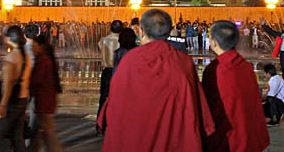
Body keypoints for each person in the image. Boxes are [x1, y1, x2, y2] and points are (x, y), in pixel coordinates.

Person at [99, 9, 214, 151]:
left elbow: (115, 103)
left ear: (141, 31)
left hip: (137, 139)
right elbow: (197, 106)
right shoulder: (184, 61)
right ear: (170, 31)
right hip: (173, 139)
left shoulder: (130, 60)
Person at [202, 21, 269, 152]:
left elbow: (207, 105)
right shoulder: (246, 67)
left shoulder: (214, 70)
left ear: (214, 42)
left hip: (226, 136)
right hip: (247, 133)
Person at [0, 25, 32, 152]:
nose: (4, 39)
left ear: (11, 38)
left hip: (12, 102)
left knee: (0, 136)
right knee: (17, 137)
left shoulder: (12, 58)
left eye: (6, 37)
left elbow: (8, 84)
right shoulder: (26, 55)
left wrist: (3, 105)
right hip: (23, 99)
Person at [29, 35, 63, 152]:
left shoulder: (43, 60)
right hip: (46, 101)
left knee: (48, 134)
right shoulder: (45, 58)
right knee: (39, 133)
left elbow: (36, 80)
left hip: (44, 101)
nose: (31, 48)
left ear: (40, 46)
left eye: (33, 46)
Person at [97, 19, 122, 122]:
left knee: (103, 99)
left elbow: (100, 48)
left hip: (106, 72)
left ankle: (100, 123)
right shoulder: (121, 41)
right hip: (117, 73)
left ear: (110, 28)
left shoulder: (103, 40)